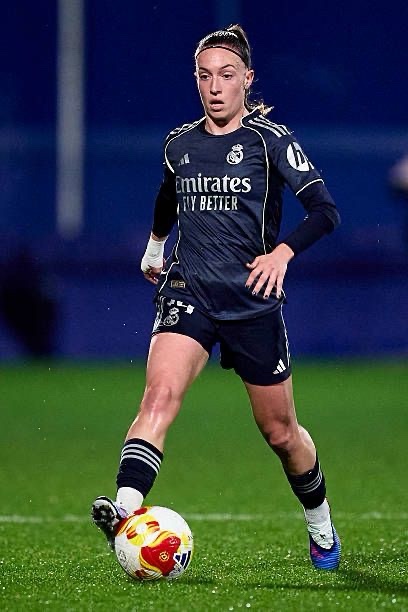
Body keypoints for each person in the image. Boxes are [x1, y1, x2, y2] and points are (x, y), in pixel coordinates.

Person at [92, 24, 341, 571]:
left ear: (247, 80)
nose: (215, 86)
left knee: (281, 433)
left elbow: (325, 212)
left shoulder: (270, 140)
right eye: (205, 76)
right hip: (190, 292)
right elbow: (168, 196)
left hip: (252, 300)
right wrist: (156, 246)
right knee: (159, 397)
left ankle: (319, 520)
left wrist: (281, 254)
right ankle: (125, 508)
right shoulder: (179, 144)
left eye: (226, 75)